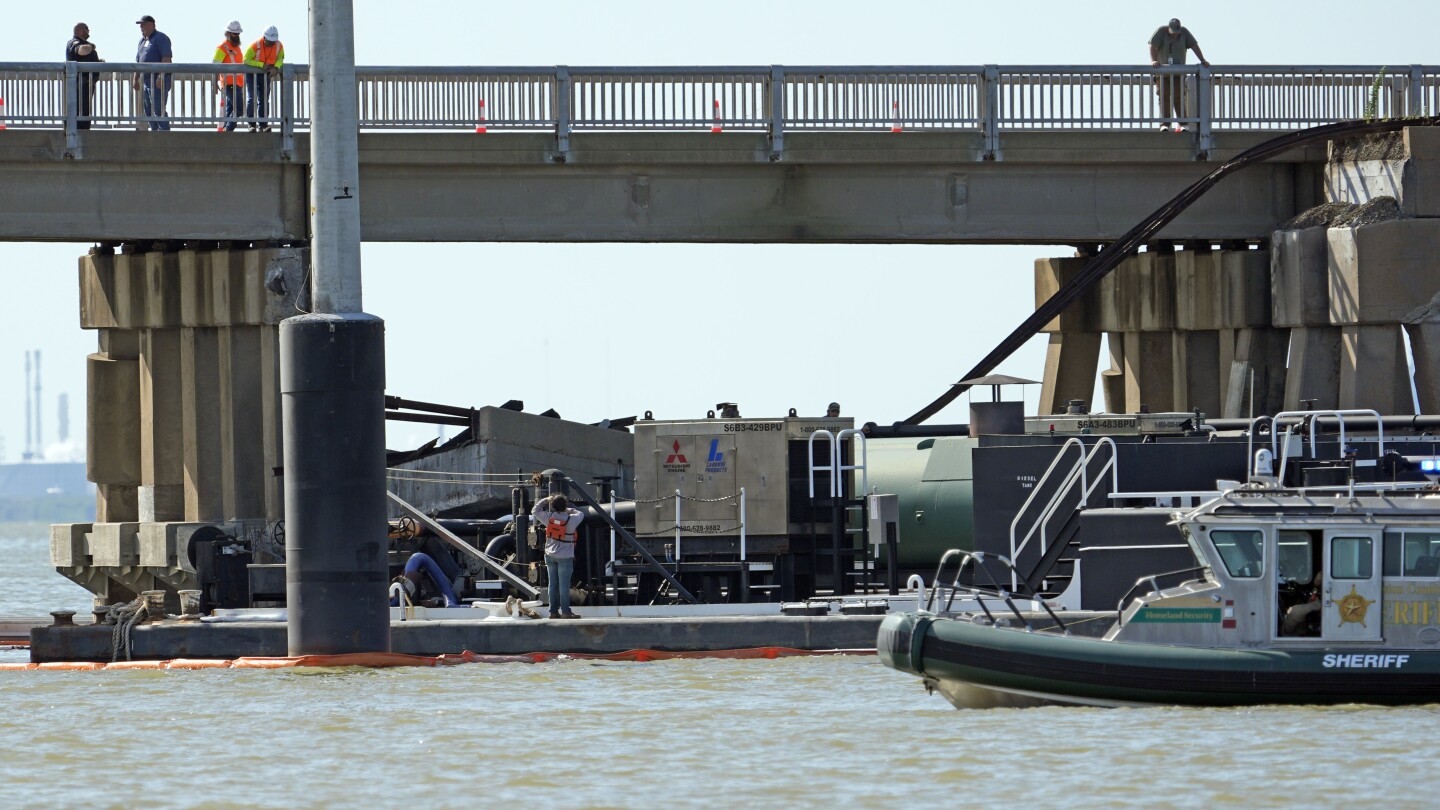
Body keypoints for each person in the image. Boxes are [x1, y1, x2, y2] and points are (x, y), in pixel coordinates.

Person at [1147, 18, 1209, 133]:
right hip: (1162, 72)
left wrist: (1202, 60)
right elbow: (1151, 45)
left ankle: (1183, 123)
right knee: (1164, 96)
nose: (1175, 34)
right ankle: (1165, 124)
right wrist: (1154, 60)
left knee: (1178, 96)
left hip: (1178, 72)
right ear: (1169, 28)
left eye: (1177, 32)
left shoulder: (1184, 32)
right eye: (1173, 32)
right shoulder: (1161, 31)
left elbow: (1194, 46)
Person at [532, 494, 584, 619]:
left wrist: (545, 500)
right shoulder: (571, 520)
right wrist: (568, 510)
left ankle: (553, 612)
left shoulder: (548, 518)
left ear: (553, 506)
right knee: (564, 586)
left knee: (553, 584)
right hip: (565, 557)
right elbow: (581, 513)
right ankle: (566, 612)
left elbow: (535, 510)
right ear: (565, 506)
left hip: (549, 555)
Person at [134, 15, 173, 131]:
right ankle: (154, 132)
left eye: (144, 24)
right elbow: (138, 61)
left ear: (152, 25)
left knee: (158, 108)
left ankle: (164, 133)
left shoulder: (161, 38)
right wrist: (135, 79)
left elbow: (166, 58)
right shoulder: (142, 41)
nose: (141, 27)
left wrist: (161, 76)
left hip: (157, 78)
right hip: (146, 80)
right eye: (140, 25)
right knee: (148, 110)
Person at [244, 26, 285, 132]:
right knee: (252, 99)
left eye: (273, 42)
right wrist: (261, 65)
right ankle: (251, 124)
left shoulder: (278, 45)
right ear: (264, 38)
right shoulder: (255, 45)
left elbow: (281, 58)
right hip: (252, 74)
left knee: (264, 99)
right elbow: (246, 60)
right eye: (270, 42)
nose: (272, 44)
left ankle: (263, 124)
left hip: (266, 75)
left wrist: (276, 67)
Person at [65, 23, 104, 130]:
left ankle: (84, 130)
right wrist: (91, 46)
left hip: (88, 83)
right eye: (87, 29)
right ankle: (77, 131)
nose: (89, 30)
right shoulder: (74, 42)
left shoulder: (84, 43)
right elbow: (82, 51)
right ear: (81, 30)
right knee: (78, 109)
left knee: (85, 110)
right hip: (80, 84)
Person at [212, 21, 246, 132]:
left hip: (238, 83)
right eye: (234, 34)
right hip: (229, 84)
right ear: (228, 33)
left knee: (231, 109)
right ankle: (228, 129)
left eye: (238, 34)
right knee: (239, 109)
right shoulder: (222, 47)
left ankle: (226, 131)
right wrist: (214, 82)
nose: (237, 36)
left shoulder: (237, 48)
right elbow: (215, 65)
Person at [1281, 571, 1323, 635]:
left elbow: (1317, 582)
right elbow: (1315, 589)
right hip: (1319, 601)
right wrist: (1313, 595)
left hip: (1325, 603)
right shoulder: (1316, 589)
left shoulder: (1324, 572)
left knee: (1295, 611)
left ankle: (1285, 634)